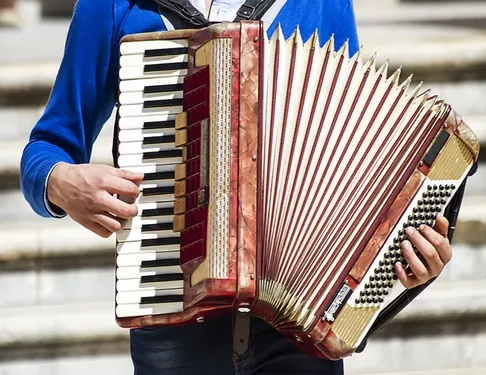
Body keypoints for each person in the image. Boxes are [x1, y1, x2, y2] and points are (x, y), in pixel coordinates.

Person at [20, 1, 454, 374]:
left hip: (300, 334)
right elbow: (45, 148)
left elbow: (360, 166)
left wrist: (405, 258)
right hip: (176, 328)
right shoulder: (117, 6)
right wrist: (59, 182)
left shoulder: (321, 3)